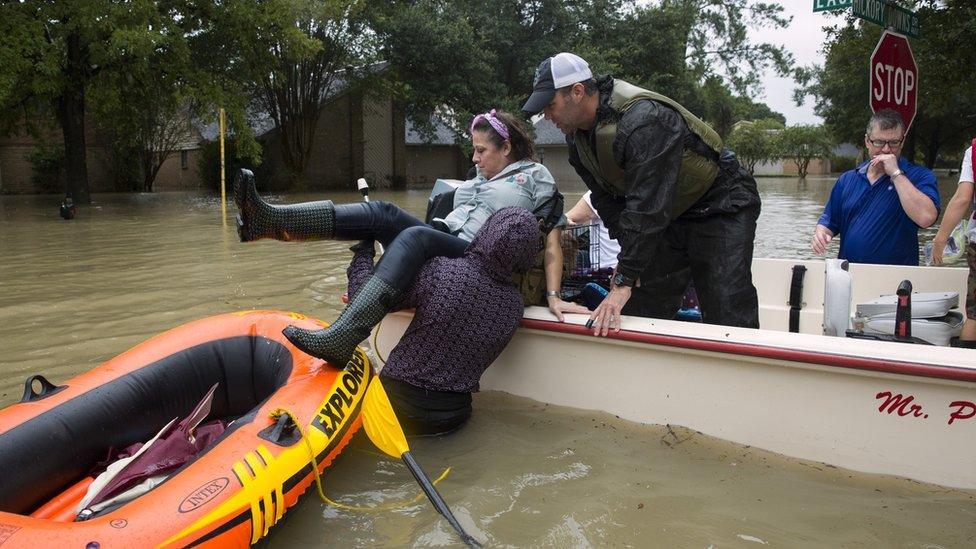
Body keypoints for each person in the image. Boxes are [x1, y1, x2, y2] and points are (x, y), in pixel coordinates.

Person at [235, 109, 565, 366]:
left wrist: (552, 295)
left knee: (415, 237)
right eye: (473, 151)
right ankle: (269, 221)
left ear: (506, 147)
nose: (475, 158)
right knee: (382, 212)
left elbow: (552, 236)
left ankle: (344, 336)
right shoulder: (478, 175)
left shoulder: (536, 177)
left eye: (481, 151)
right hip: (446, 238)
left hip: (481, 257)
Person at [522, 52, 762, 336]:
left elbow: (647, 205)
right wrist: (629, 265)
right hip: (669, 214)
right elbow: (606, 200)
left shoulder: (644, 121)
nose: (547, 117)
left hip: (720, 203)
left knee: (725, 302)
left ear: (577, 92)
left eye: (550, 105)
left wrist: (624, 276)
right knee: (642, 301)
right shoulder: (577, 140)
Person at [350, 207, 539, 434]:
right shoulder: (515, 305)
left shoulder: (442, 270)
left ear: (486, 231)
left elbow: (362, 301)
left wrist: (363, 254)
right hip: (455, 417)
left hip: (396, 406)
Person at [812, 109, 939, 265]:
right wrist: (821, 232)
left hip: (897, 280)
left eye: (893, 142)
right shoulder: (847, 180)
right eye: (879, 142)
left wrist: (896, 174)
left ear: (903, 141)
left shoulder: (919, 176)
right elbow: (829, 221)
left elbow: (926, 218)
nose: (886, 149)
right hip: (850, 275)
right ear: (867, 141)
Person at [931, 139, 976, 346]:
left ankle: (965, 371)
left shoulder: (974, 151)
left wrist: (940, 239)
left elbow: (962, 199)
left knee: (975, 317)